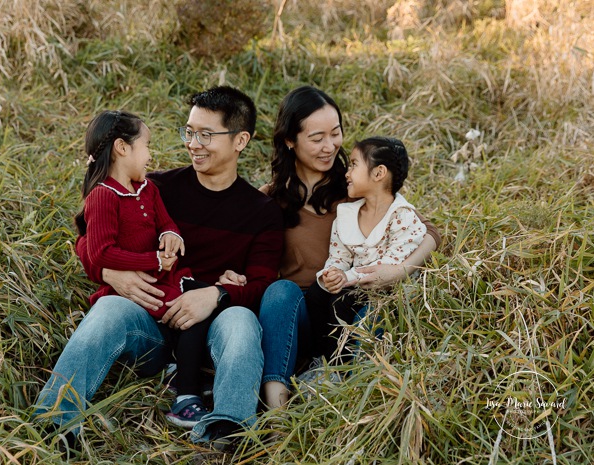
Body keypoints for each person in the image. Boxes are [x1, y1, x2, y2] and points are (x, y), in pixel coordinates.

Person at [33, 86, 284, 450]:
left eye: (206, 134)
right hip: (151, 323)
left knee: (243, 321)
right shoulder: (156, 187)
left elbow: (263, 282)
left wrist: (215, 294)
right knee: (108, 307)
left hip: (213, 330)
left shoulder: (261, 211)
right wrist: (108, 274)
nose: (193, 143)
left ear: (240, 140)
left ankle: (229, 430)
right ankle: (54, 422)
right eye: (189, 131)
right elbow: (89, 237)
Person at [220, 86, 441, 409]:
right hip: (297, 318)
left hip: (352, 309)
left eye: (335, 134)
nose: (329, 146)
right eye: (317, 137)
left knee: (379, 305)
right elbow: (238, 253)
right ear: (289, 141)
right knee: (281, 291)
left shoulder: (357, 187)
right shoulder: (270, 199)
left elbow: (429, 232)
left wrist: (399, 271)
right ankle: (276, 413)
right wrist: (231, 274)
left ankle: (350, 393)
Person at [73, 110, 214, 430]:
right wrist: (153, 261)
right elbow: (98, 250)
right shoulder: (103, 196)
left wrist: (170, 234)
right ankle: (185, 392)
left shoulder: (147, 188)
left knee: (204, 302)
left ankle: (183, 377)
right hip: (139, 297)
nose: (151, 155)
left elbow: (164, 221)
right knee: (190, 307)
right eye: (147, 145)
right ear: (123, 148)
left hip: (165, 284)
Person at [306, 136, 427, 360]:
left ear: (379, 173)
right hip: (355, 284)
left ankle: (338, 365)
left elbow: (389, 265)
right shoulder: (347, 215)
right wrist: (332, 273)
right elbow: (339, 256)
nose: (347, 173)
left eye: (353, 165)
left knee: (340, 302)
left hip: (386, 290)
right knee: (316, 293)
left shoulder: (402, 216)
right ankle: (319, 358)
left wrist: (346, 277)